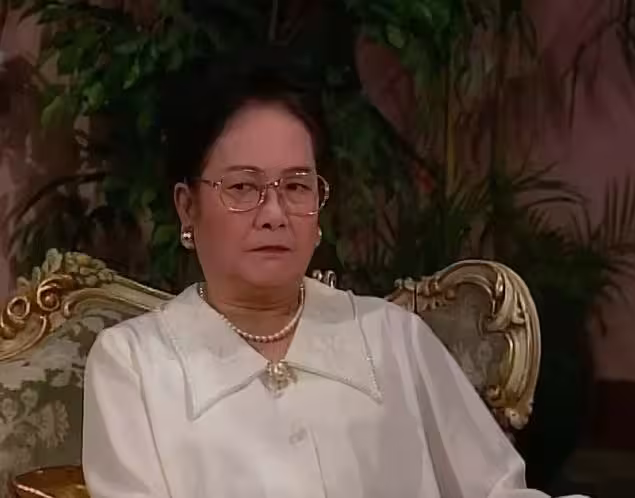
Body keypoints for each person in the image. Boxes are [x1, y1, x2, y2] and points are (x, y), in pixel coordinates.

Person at [82, 53, 587, 498]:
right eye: (243, 187)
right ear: (187, 207)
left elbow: (496, 491)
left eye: (296, 187)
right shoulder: (135, 364)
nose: (274, 214)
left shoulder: (392, 338)